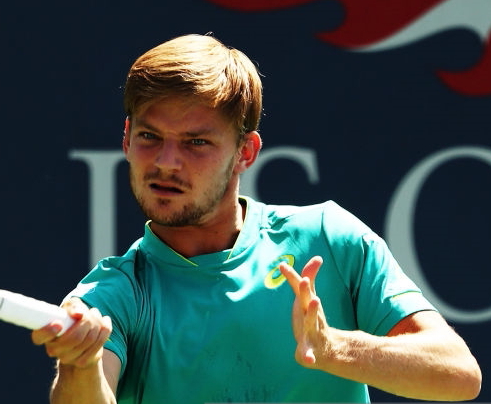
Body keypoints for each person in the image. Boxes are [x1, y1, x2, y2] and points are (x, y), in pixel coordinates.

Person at [32, 34, 482, 403]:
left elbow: (458, 374)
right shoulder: (112, 295)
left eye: (196, 143)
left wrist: (335, 348)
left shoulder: (329, 237)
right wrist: (80, 363)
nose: (166, 162)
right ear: (127, 138)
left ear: (245, 153)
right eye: (150, 136)